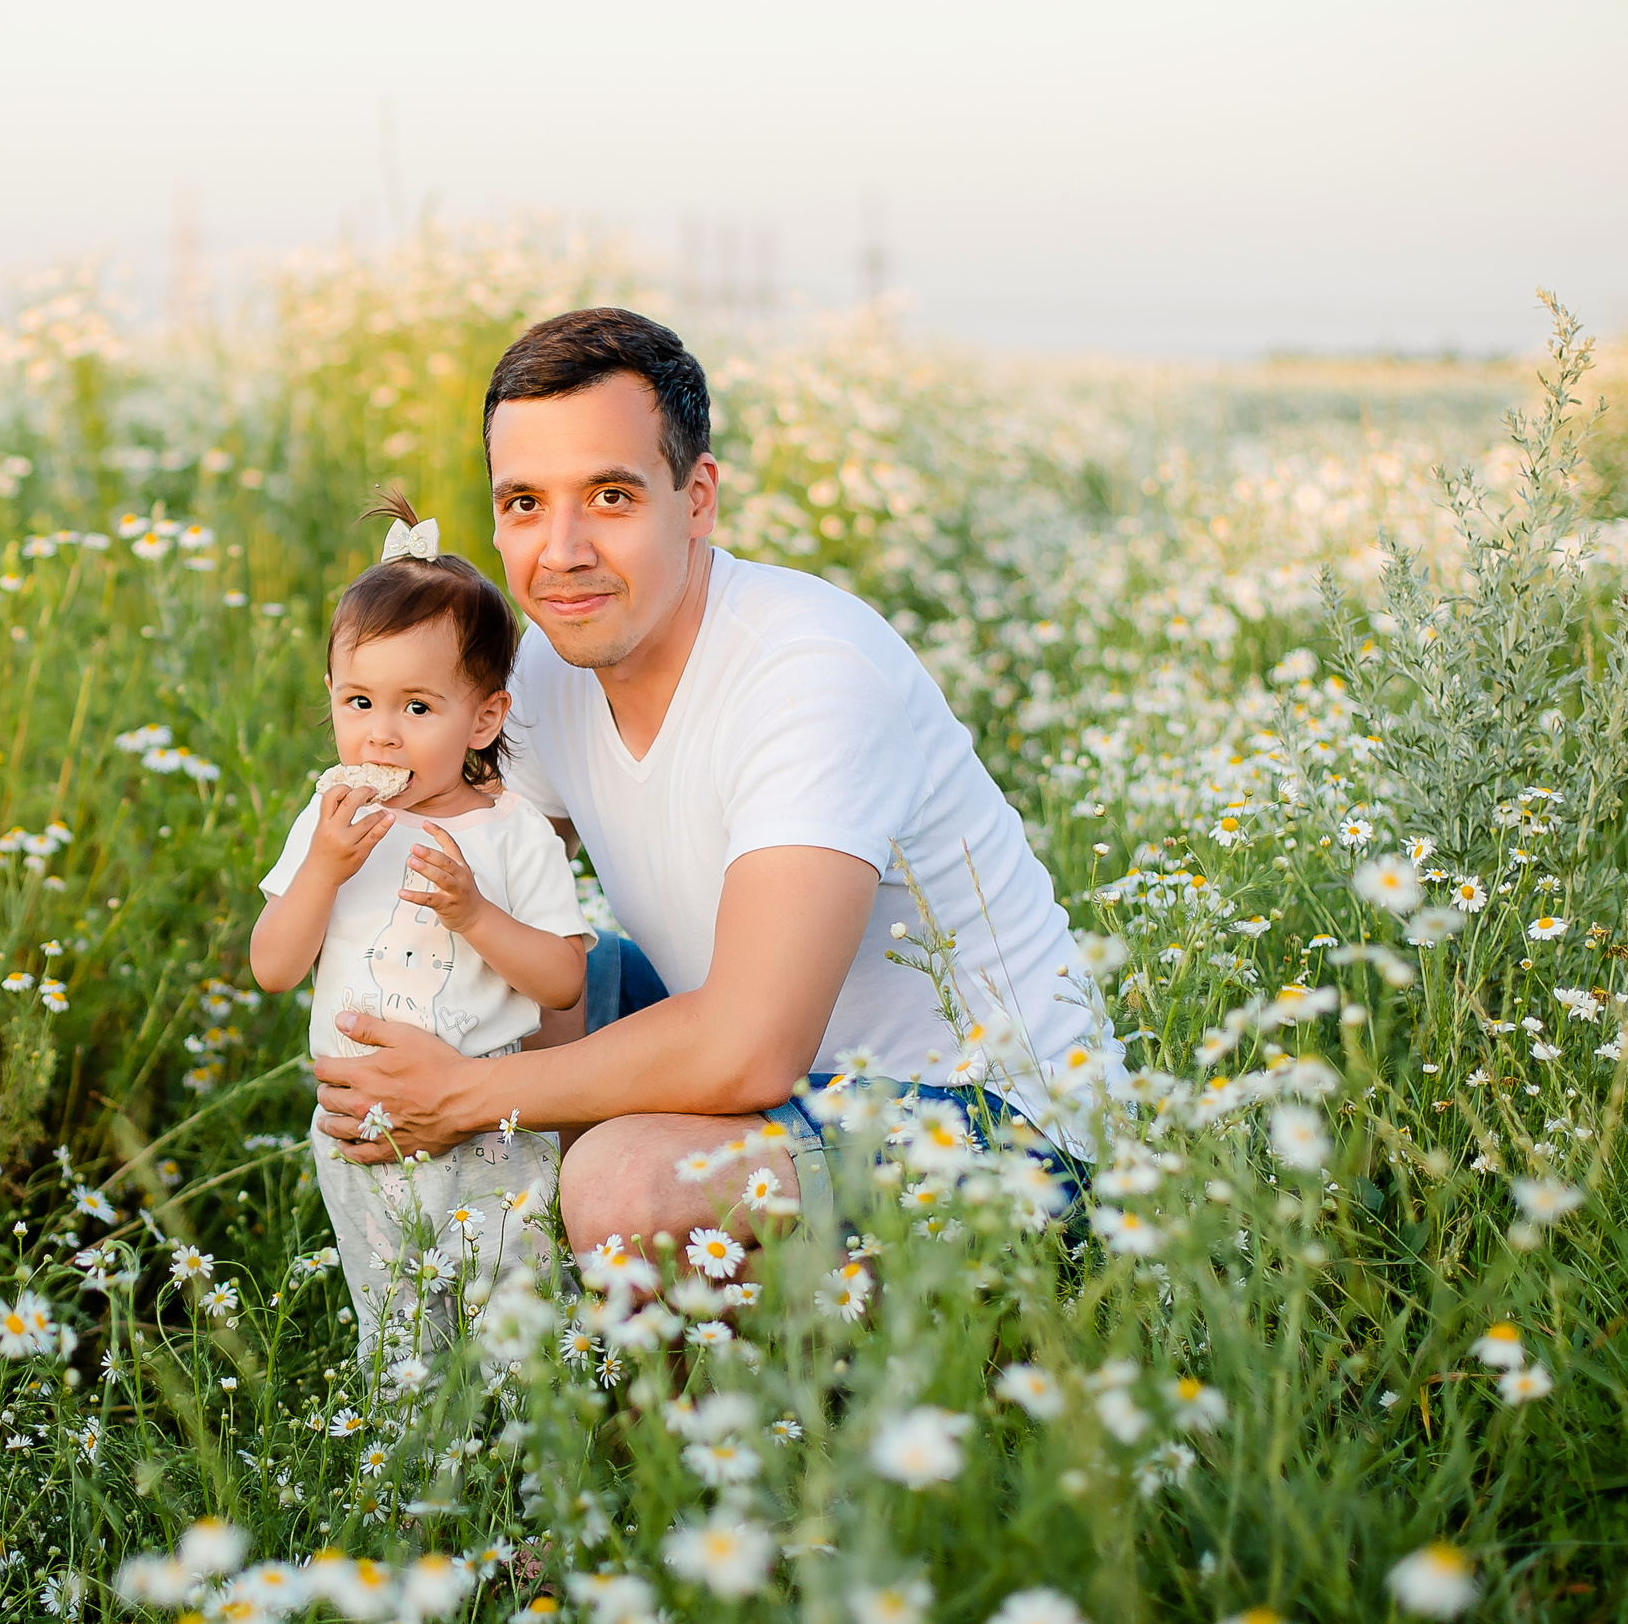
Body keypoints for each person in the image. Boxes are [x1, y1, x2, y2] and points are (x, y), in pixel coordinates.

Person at [310, 308, 1119, 1254]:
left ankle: (663, 1317)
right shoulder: (545, 672)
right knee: (461, 982)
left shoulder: (809, 669)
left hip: (1001, 1136)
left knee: (626, 1186)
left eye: (610, 496)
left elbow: (749, 1048)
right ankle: (527, 1294)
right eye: (524, 502)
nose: (560, 551)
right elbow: (481, 889)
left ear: (697, 499)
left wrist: (466, 1097)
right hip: (785, 1094)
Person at [250, 493, 594, 1356]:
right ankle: (410, 1436)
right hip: (360, 1130)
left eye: (416, 708)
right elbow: (274, 966)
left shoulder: (511, 832)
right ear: (331, 696)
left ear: (484, 718)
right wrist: (323, 869)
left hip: (490, 1135)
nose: (380, 736)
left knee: (516, 1326)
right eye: (359, 701)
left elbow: (562, 980)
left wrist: (474, 914)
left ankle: (527, 1431)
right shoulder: (329, 824)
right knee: (399, 1335)